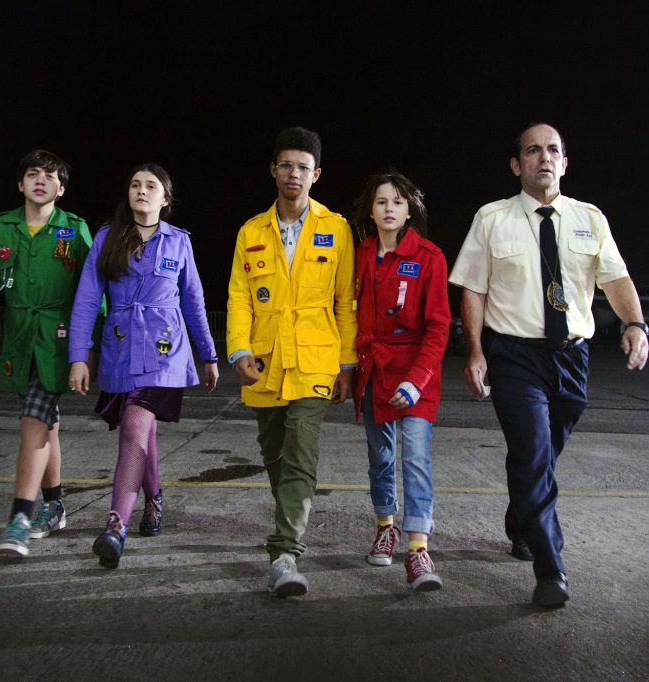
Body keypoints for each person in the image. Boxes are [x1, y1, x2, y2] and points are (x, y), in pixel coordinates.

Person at [448, 123, 649, 607]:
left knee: (539, 454)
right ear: (516, 164)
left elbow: (615, 279)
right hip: (514, 355)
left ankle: (521, 520)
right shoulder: (492, 218)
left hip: (572, 356)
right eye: (533, 150)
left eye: (553, 150)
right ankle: (550, 567)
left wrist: (636, 324)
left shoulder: (589, 218)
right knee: (534, 453)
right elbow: (473, 288)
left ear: (564, 163)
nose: (544, 157)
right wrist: (475, 349)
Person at [226, 126, 357, 597]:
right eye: (286, 165)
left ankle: (284, 554)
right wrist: (239, 350)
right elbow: (239, 298)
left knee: (301, 451)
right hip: (264, 362)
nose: (294, 174)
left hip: (316, 362)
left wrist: (347, 364)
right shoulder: (251, 231)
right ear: (273, 170)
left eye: (303, 167)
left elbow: (345, 301)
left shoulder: (336, 228)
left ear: (316, 174)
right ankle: (290, 524)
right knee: (275, 455)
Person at [68, 163, 219, 569]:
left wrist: (208, 355)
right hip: (121, 347)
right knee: (143, 431)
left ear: (165, 199)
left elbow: (194, 301)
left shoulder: (178, 242)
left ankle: (115, 525)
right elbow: (87, 300)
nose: (141, 190)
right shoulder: (107, 238)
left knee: (134, 425)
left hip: (166, 349)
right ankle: (154, 498)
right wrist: (79, 356)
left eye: (151, 186)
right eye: (135, 184)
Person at [0, 149, 94, 557]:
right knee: (46, 426)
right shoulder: (2, 227)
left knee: (34, 419)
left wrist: (87, 350)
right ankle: (55, 506)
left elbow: (93, 292)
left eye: (50, 176)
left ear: (61, 189)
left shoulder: (74, 229)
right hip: (19, 341)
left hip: (58, 342)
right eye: (33, 174)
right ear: (20, 184)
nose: (40, 180)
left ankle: (19, 517)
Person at [351, 172, 451, 591]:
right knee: (381, 458)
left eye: (397, 201)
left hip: (415, 373)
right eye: (381, 202)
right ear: (371, 211)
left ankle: (417, 549)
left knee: (415, 456)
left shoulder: (429, 257)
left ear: (410, 210)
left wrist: (416, 380)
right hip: (374, 369)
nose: (389, 208)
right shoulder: (360, 254)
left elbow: (439, 328)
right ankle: (384, 526)